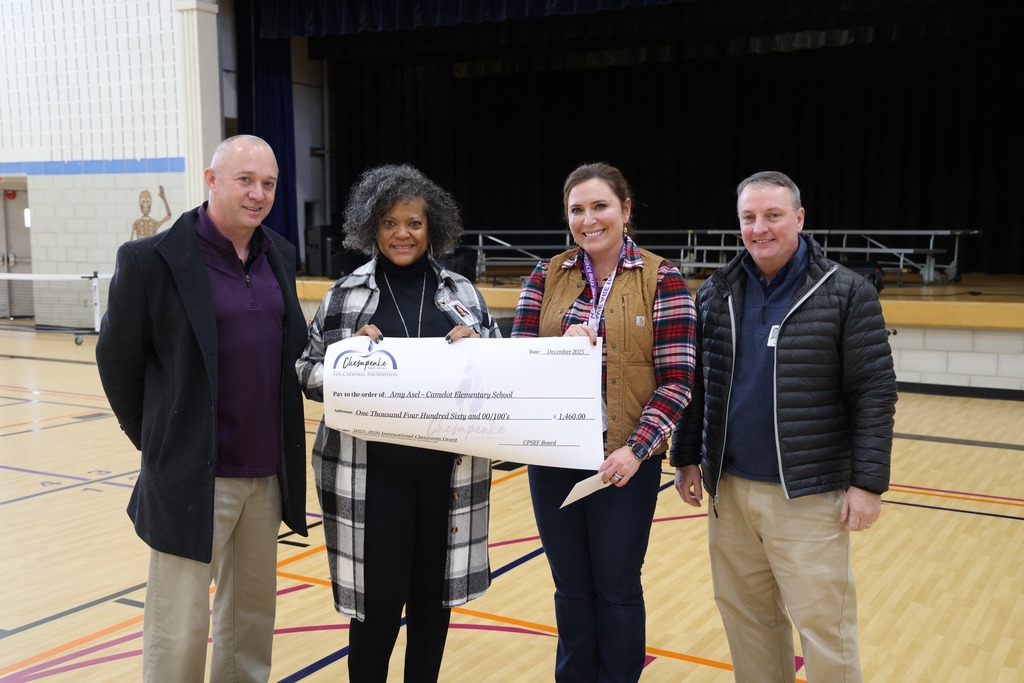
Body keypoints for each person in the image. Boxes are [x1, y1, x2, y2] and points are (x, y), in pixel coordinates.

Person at [95, 134, 309, 682]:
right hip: (192, 477)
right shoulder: (150, 261)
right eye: (245, 180)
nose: (259, 194)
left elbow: (294, 352)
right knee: (179, 626)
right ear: (212, 181)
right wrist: (160, 441)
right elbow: (117, 360)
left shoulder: (279, 253)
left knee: (250, 623)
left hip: (266, 476)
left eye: (268, 184)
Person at [671, 170, 898, 682]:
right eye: (749, 217)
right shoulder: (716, 292)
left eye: (773, 215)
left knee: (824, 627)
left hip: (808, 495)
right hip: (729, 491)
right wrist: (686, 457)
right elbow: (698, 382)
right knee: (748, 621)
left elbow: (873, 392)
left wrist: (867, 484)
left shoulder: (846, 293)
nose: (760, 228)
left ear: (799, 218)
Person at [296, 163, 500, 682]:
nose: (402, 233)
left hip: (447, 475)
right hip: (371, 475)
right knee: (378, 605)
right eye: (389, 223)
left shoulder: (463, 295)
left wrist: (481, 353)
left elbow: (502, 374)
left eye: (413, 222)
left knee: (433, 603)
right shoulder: (346, 295)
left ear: (432, 228)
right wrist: (347, 359)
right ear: (372, 228)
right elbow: (305, 369)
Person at [511, 162, 698, 681]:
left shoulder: (664, 278)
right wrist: (557, 349)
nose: (589, 220)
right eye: (577, 209)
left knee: (615, 586)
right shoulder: (544, 276)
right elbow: (517, 364)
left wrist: (636, 450)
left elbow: (678, 380)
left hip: (623, 460)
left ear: (626, 210)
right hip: (553, 458)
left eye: (600, 207)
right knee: (570, 586)